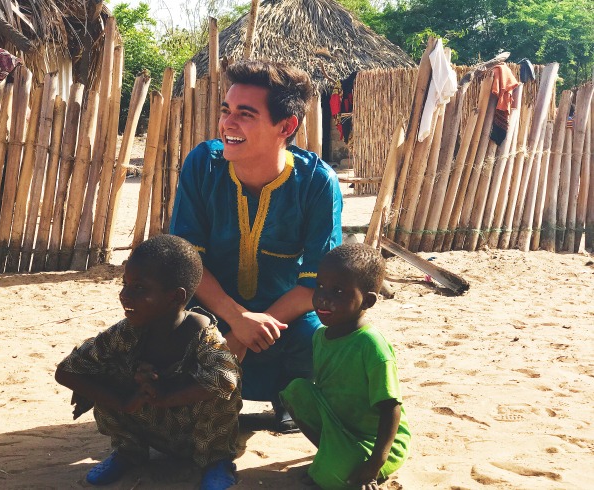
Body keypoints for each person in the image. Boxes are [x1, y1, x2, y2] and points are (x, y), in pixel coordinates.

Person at [169, 60, 343, 432]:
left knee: (323, 332)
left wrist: (252, 328)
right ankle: (195, 396)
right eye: (226, 111)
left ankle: (288, 397)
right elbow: (186, 261)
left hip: (281, 317)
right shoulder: (203, 165)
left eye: (245, 114)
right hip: (213, 307)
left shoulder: (317, 183)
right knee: (166, 322)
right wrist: (236, 320)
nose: (228, 124)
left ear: (287, 126)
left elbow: (317, 283)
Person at [55, 234, 242, 489]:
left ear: (176, 297)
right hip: (146, 424)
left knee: (225, 382)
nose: (124, 295)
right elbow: (67, 371)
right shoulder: (127, 332)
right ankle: (127, 452)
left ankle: (216, 461)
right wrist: (123, 400)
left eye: (139, 288)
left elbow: (225, 379)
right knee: (100, 371)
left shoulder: (202, 335)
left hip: (197, 435)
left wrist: (166, 395)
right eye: (125, 284)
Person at [279, 243, 411, 489]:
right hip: (340, 426)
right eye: (320, 286)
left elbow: (390, 407)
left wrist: (375, 464)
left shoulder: (371, 345)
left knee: (332, 479)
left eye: (338, 291)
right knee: (296, 390)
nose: (323, 298)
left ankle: (343, 463)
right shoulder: (320, 337)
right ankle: (332, 456)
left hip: (375, 443)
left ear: (368, 301)